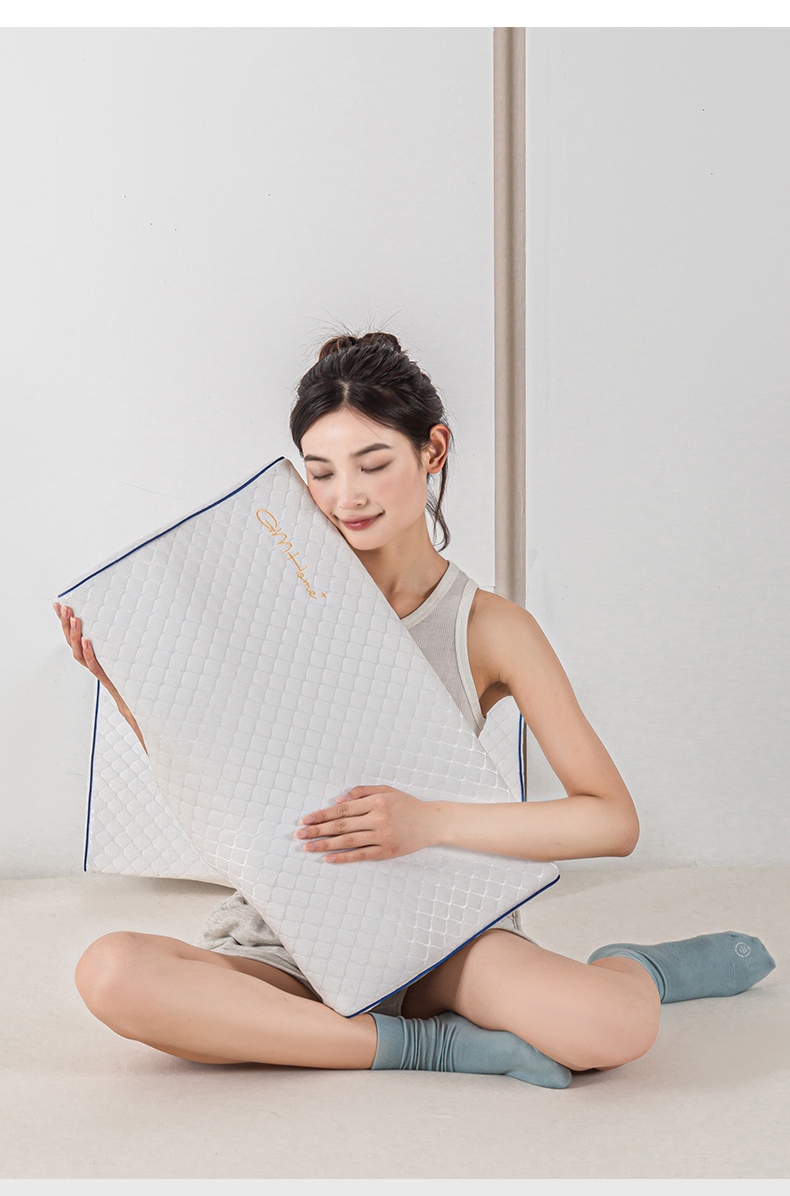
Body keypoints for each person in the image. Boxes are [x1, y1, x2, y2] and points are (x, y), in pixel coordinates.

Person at [55, 331, 775, 1087]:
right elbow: (220, 785)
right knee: (111, 973)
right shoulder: (267, 604)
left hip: (441, 929)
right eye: (321, 473)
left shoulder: (489, 627)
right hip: (292, 933)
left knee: (612, 1027)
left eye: (373, 465)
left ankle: (636, 969)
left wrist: (427, 823)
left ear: (433, 450)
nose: (347, 497)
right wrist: (123, 684)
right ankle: (430, 1047)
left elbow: (611, 821)